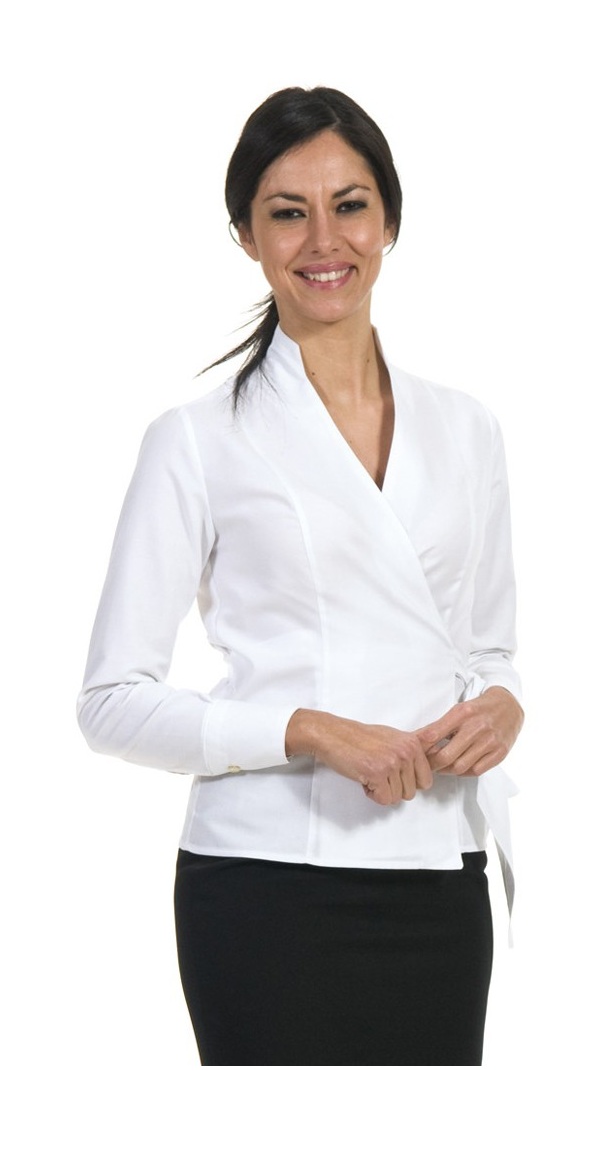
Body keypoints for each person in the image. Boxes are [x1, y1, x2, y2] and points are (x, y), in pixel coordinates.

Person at [77, 86, 524, 1066]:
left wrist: (504, 706)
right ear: (247, 235)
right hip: (265, 886)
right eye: (289, 212)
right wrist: (310, 731)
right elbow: (109, 703)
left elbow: (489, 650)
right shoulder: (196, 441)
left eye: (350, 205)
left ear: (390, 220)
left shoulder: (468, 429)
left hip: (440, 879)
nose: (325, 240)